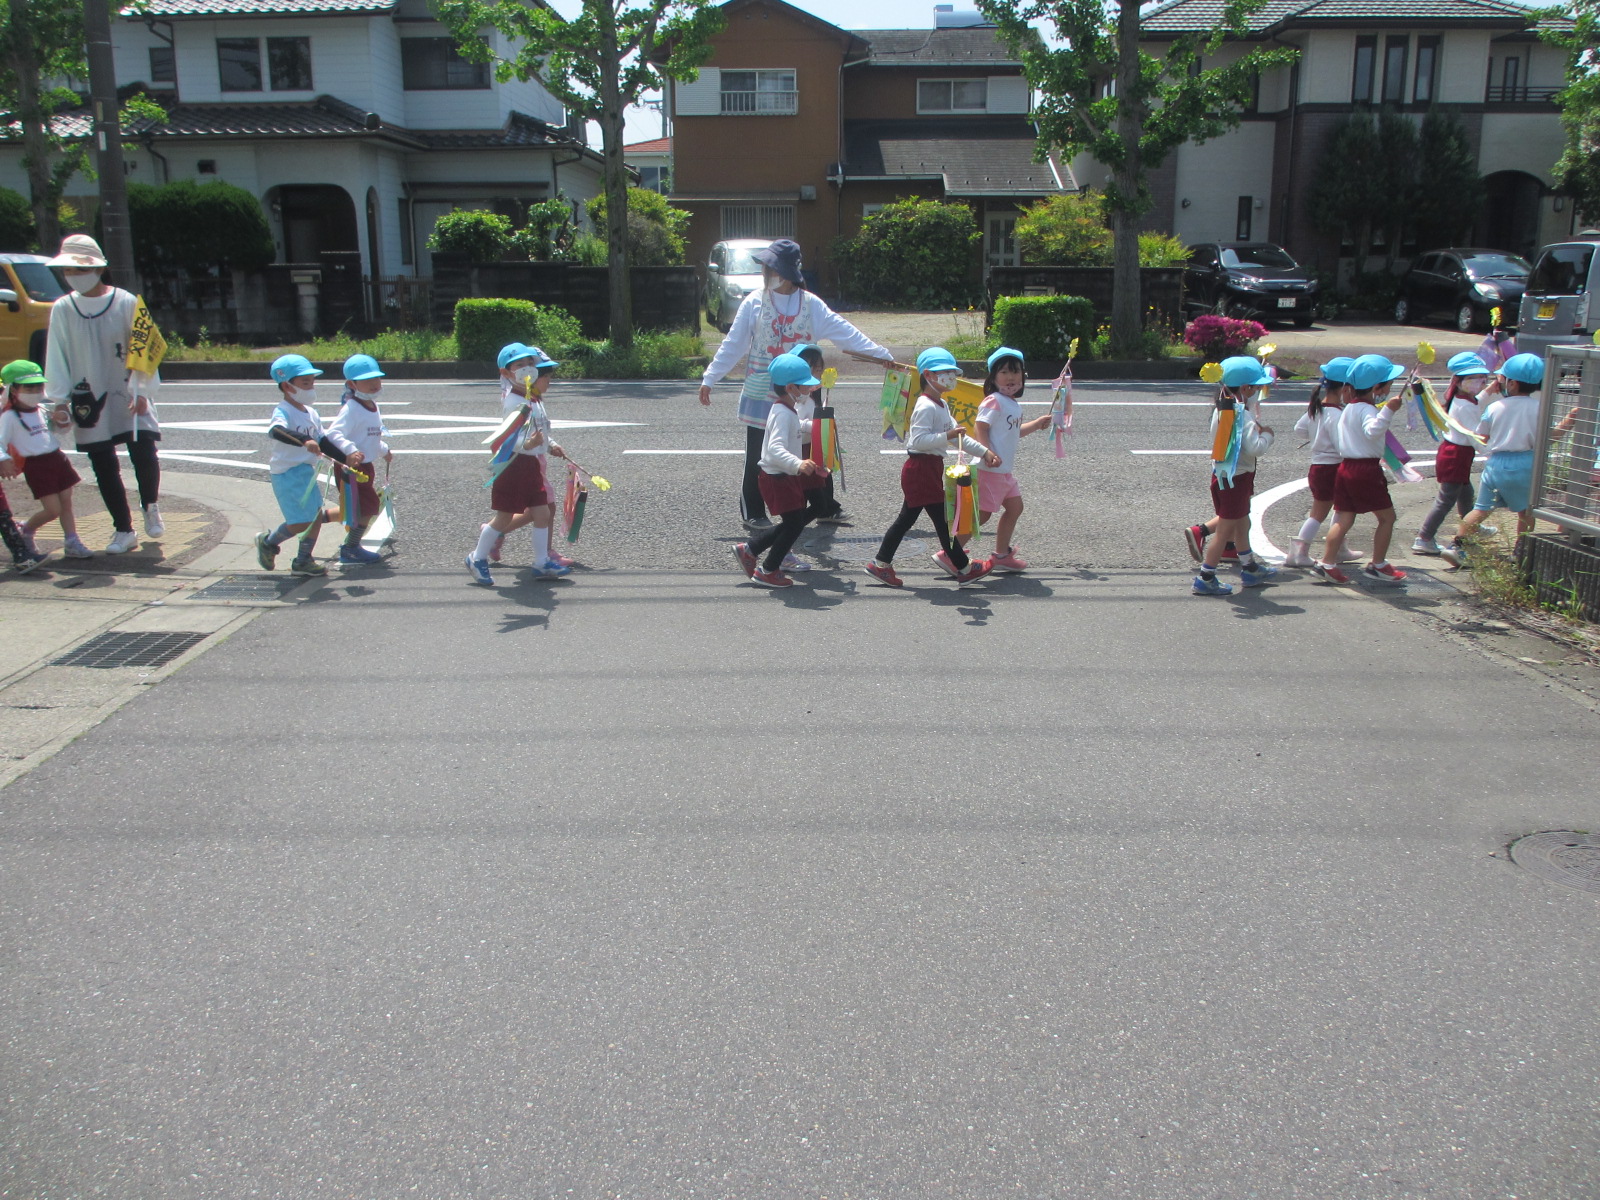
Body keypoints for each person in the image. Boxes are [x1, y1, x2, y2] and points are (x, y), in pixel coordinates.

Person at [698, 239, 891, 531]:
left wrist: (882, 356)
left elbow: (846, 334)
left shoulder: (812, 305)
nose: (765, 271)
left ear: (785, 271)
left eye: (769, 266)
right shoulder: (754, 301)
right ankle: (753, 509)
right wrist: (710, 377)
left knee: (812, 450)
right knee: (759, 454)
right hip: (762, 391)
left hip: (802, 393)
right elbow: (734, 344)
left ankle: (825, 506)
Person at [43, 234, 163, 554]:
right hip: (87, 395)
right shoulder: (63, 309)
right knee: (102, 461)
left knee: (144, 449)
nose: (74, 275)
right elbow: (57, 354)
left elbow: (144, 348)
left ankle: (150, 504)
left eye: (80, 269)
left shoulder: (126, 301)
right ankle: (123, 529)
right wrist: (58, 400)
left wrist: (142, 390)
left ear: (98, 269)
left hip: (126, 389)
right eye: (68, 270)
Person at [864, 347, 998, 588]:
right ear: (928, 375)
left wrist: (985, 452)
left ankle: (881, 564)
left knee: (909, 520)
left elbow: (958, 438)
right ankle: (964, 568)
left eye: (952, 372)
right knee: (941, 522)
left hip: (928, 469)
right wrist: (947, 433)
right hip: (920, 469)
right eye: (944, 372)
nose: (951, 377)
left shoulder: (941, 405)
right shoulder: (926, 406)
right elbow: (917, 441)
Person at [466, 344, 571, 586]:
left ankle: (541, 561)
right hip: (514, 466)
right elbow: (508, 439)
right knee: (503, 517)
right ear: (506, 373)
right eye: (519, 366)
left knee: (542, 512)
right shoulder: (514, 401)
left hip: (531, 464)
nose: (528, 369)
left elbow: (539, 428)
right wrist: (529, 443)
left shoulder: (532, 397)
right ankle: (477, 558)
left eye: (531, 364)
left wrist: (550, 444)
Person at [732, 353, 832, 588]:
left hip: (784, 476)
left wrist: (817, 426)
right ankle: (766, 570)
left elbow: (797, 429)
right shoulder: (782, 413)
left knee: (793, 523)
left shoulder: (788, 410)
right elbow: (774, 449)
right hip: (777, 477)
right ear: (790, 388)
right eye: (804, 386)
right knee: (793, 524)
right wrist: (797, 464)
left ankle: (750, 550)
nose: (809, 389)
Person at [1441, 352, 1546, 567]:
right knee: (1525, 513)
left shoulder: (1495, 407)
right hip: (1525, 464)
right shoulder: (1539, 409)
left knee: (1480, 509)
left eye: (1502, 379)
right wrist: (1569, 421)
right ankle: (1521, 552)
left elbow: (1482, 434)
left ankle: (1456, 547)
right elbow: (1547, 438)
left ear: (1513, 383)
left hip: (1496, 464)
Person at [1314, 353, 1408, 585]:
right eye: (1388, 384)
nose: (1389, 388)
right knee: (1387, 518)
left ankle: (1327, 562)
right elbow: (1372, 431)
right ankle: (1378, 564)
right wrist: (1389, 410)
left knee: (1344, 517)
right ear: (1377, 387)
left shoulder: (1348, 408)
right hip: (1365, 470)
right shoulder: (1368, 410)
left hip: (1345, 468)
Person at [957, 345, 1051, 572]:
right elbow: (980, 426)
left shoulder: (1012, 404)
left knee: (1015, 507)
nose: (1011, 377)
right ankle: (952, 554)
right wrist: (986, 452)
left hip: (1003, 471)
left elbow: (1013, 432)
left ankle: (1001, 555)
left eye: (1016, 372)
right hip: (989, 469)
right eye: (1004, 372)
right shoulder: (994, 400)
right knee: (983, 515)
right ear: (994, 378)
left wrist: (1037, 424)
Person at [1193, 356, 1276, 596]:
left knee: (1243, 522)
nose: (1258, 392)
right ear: (1246, 388)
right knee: (1225, 530)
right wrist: (1268, 435)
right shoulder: (1243, 415)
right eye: (1257, 388)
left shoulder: (1223, 409)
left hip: (1224, 476)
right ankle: (1205, 576)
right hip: (1237, 479)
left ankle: (1249, 566)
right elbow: (1256, 448)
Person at [255, 354, 340, 577]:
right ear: (287, 385)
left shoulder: (311, 413)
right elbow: (276, 431)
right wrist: (304, 440)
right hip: (287, 472)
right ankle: (269, 542)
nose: (311, 387)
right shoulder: (283, 410)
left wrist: (345, 457)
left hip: (306, 470)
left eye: (312, 382)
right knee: (301, 522)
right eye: (305, 383)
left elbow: (322, 440)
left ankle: (303, 560)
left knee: (313, 518)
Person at [0, 358, 86, 563]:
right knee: (52, 509)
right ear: (13, 389)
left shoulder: (42, 409)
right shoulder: (9, 417)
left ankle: (72, 541)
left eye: (39, 385)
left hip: (57, 459)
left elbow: (59, 431)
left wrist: (62, 421)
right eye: (29, 387)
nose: (36, 391)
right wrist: (4, 460)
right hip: (36, 466)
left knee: (66, 503)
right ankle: (27, 530)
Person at [1284, 357, 1364, 568]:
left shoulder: (1318, 408)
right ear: (1346, 388)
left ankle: (1339, 548)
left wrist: (1317, 437)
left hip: (1318, 467)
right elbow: (1342, 445)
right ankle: (1299, 553)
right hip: (1333, 468)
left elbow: (1299, 429)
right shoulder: (1337, 414)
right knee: (1324, 513)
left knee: (1336, 508)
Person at [1414, 351, 1492, 555]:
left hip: (1458, 455)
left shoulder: (1463, 398)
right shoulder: (1465, 404)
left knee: (1466, 494)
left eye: (1482, 378)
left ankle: (1471, 526)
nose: (1480, 382)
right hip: (1456, 456)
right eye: (1473, 378)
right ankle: (1424, 537)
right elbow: (1474, 436)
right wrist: (1491, 454)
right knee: (1446, 500)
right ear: (1459, 381)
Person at [325, 353, 391, 566]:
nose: (374, 384)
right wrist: (350, 450)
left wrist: (383, 449)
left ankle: (312, 521)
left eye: (377, 378)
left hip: (365, 466)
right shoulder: (352, 407)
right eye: (367, 380)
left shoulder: (371, 404)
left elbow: (370, 434)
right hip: (352, 468)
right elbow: (333, 434)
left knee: (355, 508)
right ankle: (350, 548)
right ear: (352, 384)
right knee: (369, 506)